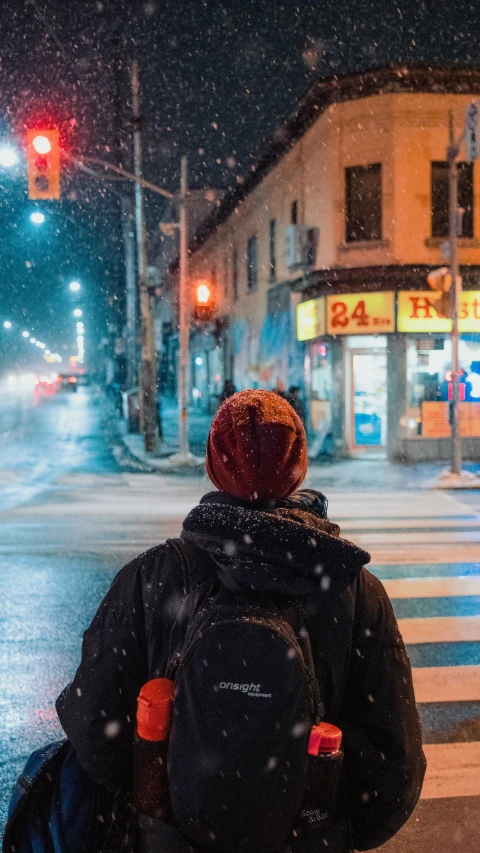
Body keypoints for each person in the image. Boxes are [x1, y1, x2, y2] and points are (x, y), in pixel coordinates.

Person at [56, 390, 426, 853]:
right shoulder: (353, 590)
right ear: (299, 467)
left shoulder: (152, 577)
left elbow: (94, 730)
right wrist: (327, 826)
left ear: (213, 464)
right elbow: (393, 771)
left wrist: (160, 800)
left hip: (169, 839)